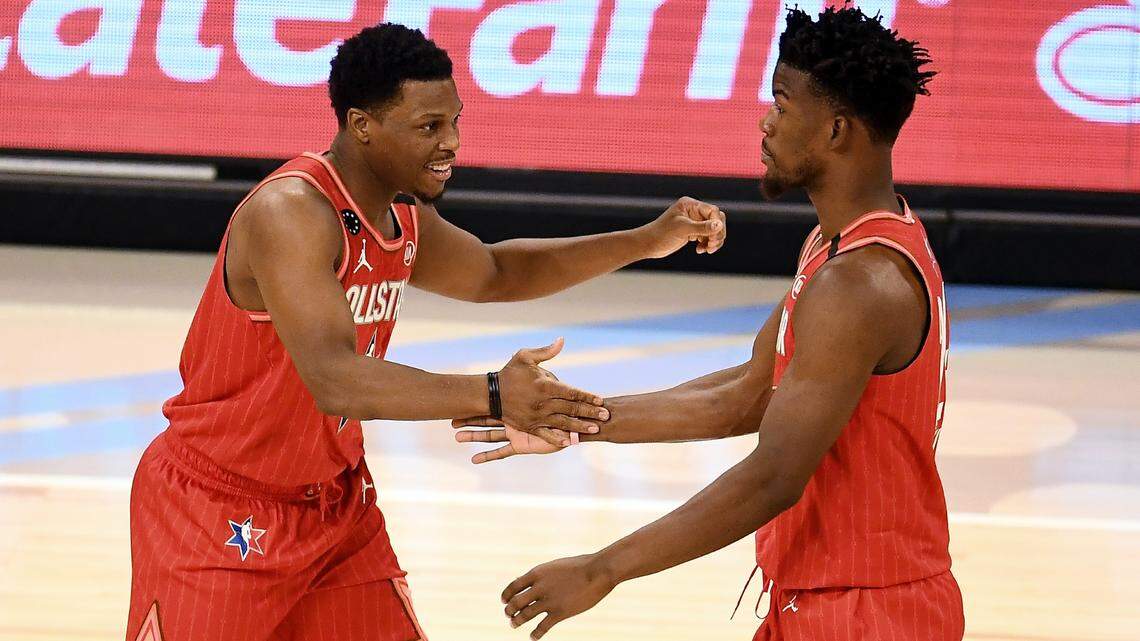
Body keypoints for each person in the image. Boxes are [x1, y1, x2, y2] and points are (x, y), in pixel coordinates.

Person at [125, 23, 726, 641]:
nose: (452, 144)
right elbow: (335, 379)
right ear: (363, 126)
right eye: (429, 127)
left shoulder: (402, 214)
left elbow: (497, 271)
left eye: (455, 122)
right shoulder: (292, 213)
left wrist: (647, 240)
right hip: (218, 508)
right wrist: (494, 392)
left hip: (335, 508)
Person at [462, 6, 962, 640]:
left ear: (836, 130)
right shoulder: (837, 246)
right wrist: (574, 419)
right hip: (826, 598)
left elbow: (774, 477)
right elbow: (748, 395)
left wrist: (603, 569)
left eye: (782, 103)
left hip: (867, 610)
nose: (766, 119)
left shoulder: (859, 284)